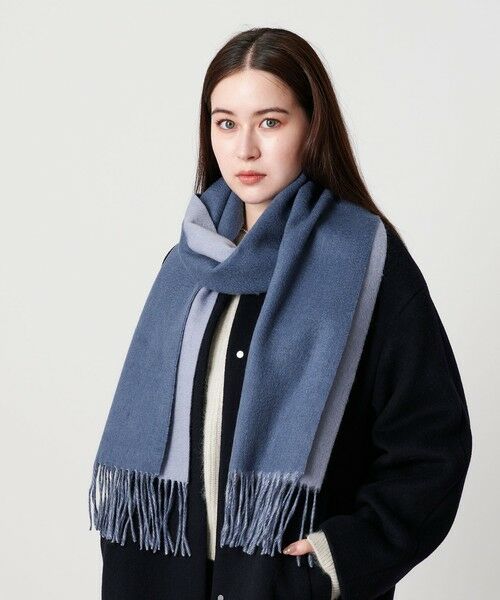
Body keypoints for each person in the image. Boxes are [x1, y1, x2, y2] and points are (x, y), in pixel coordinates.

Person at [88, 27, 473, 600]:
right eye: (226, 123)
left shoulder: (364, 261)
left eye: (269, 122)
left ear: (311, 126)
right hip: (164, 579)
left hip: (284, 587)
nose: (244, 149)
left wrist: (337, 562)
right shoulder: (187, 265)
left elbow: (433, 447)